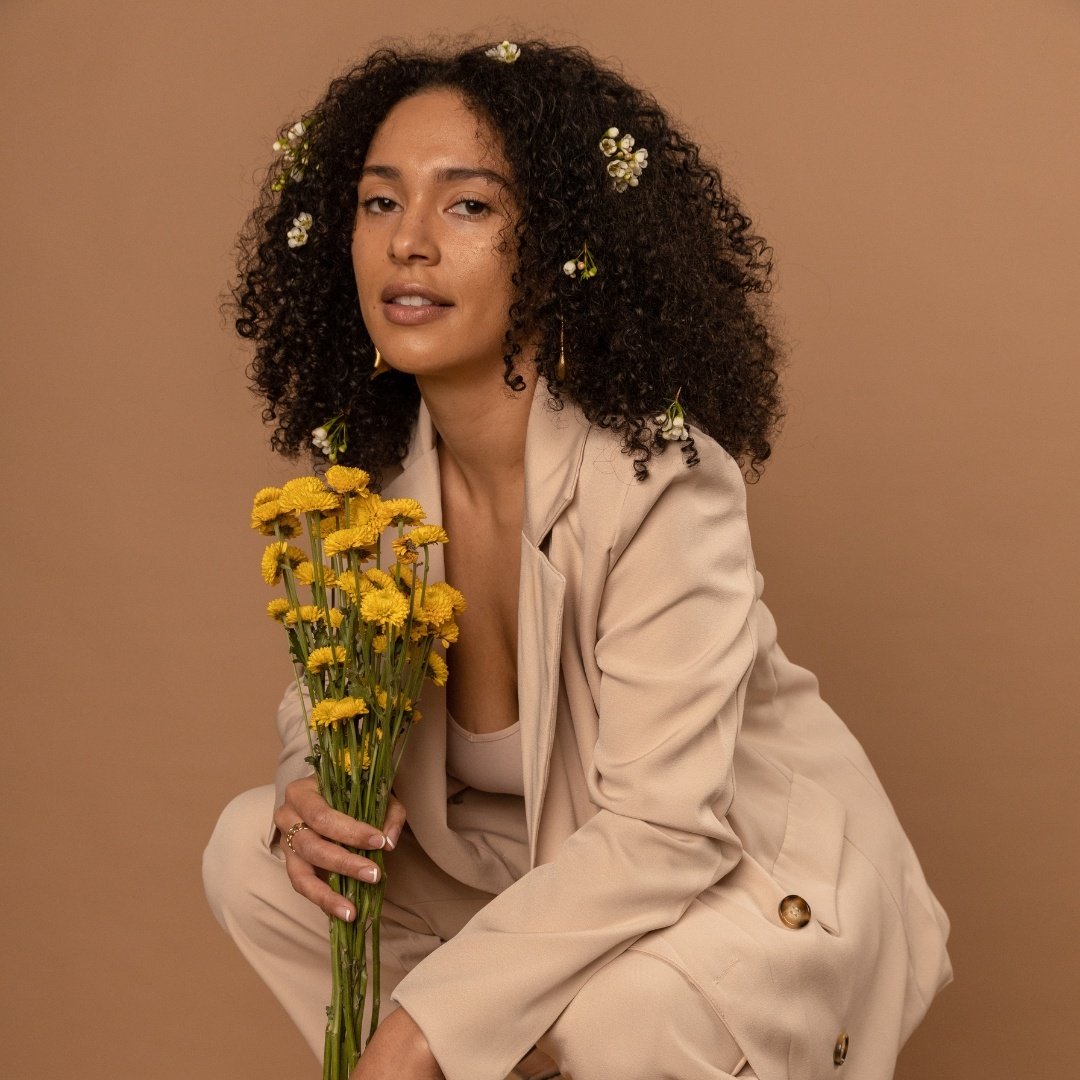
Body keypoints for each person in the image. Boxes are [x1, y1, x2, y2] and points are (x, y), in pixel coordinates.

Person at [203, 38, 952, 1080]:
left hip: (732, 875)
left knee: (614, 1021)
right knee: (251, 851)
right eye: (379, 203)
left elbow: (665, 835)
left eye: (467, 206)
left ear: (558, 248)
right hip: (534, 873)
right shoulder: (364, 493)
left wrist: (418, 1029)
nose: (408, 243)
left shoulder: (656, 480)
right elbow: (316, 706)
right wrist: (314, 794)